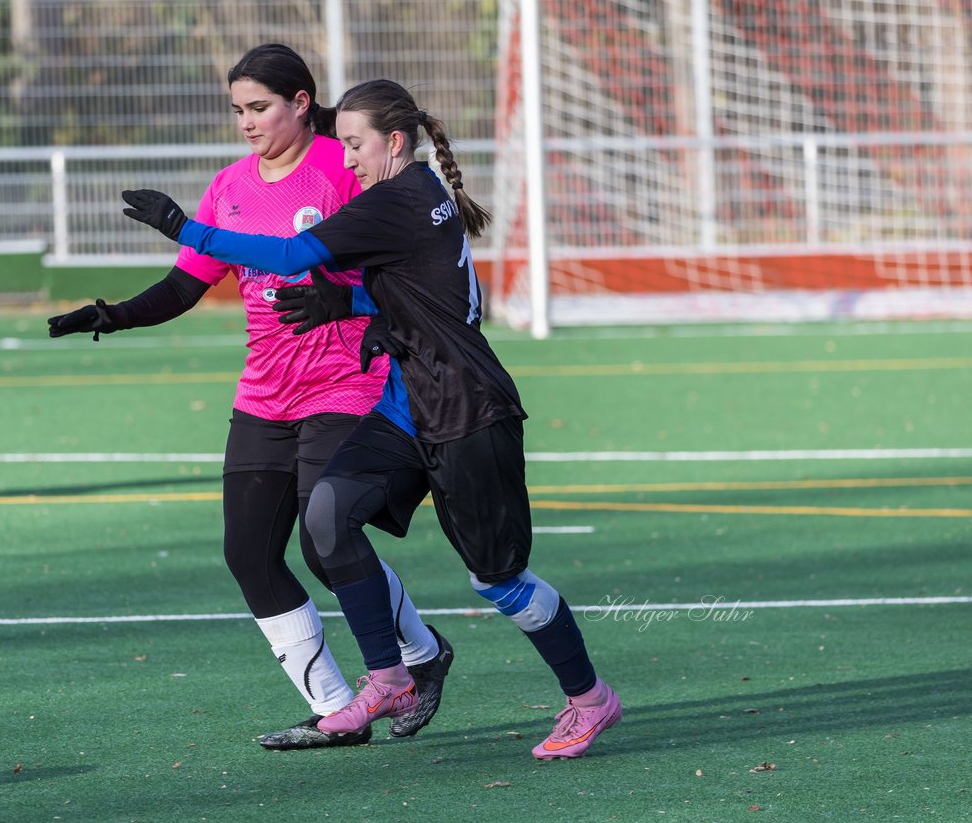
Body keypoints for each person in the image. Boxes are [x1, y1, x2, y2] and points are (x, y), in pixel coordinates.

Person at [120, 78, 622, 760]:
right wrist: (354, 310)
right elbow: (428, 296)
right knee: (326, 516)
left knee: (498, 580)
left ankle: (591, 700)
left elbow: (291, 255)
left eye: (354, 145)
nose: (345, 159)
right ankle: (390, 677)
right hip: (409, 403)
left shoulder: (398, 199)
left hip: (469, 411)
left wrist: (184, 229)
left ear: (393, 143)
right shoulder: (411, 197)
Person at [47, 50, 453, 750]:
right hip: (265, 394)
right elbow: (184, 287)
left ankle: (420, 656)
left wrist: (362, 304)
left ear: (301, 101)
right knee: (249, 555)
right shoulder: (228, 186)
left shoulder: (343, 166)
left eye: (259, 107)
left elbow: (398, 261)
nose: (246, 122)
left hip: (344, 380)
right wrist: (113, 315)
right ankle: (334, 707)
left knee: (328, 545)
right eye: (237, 110)